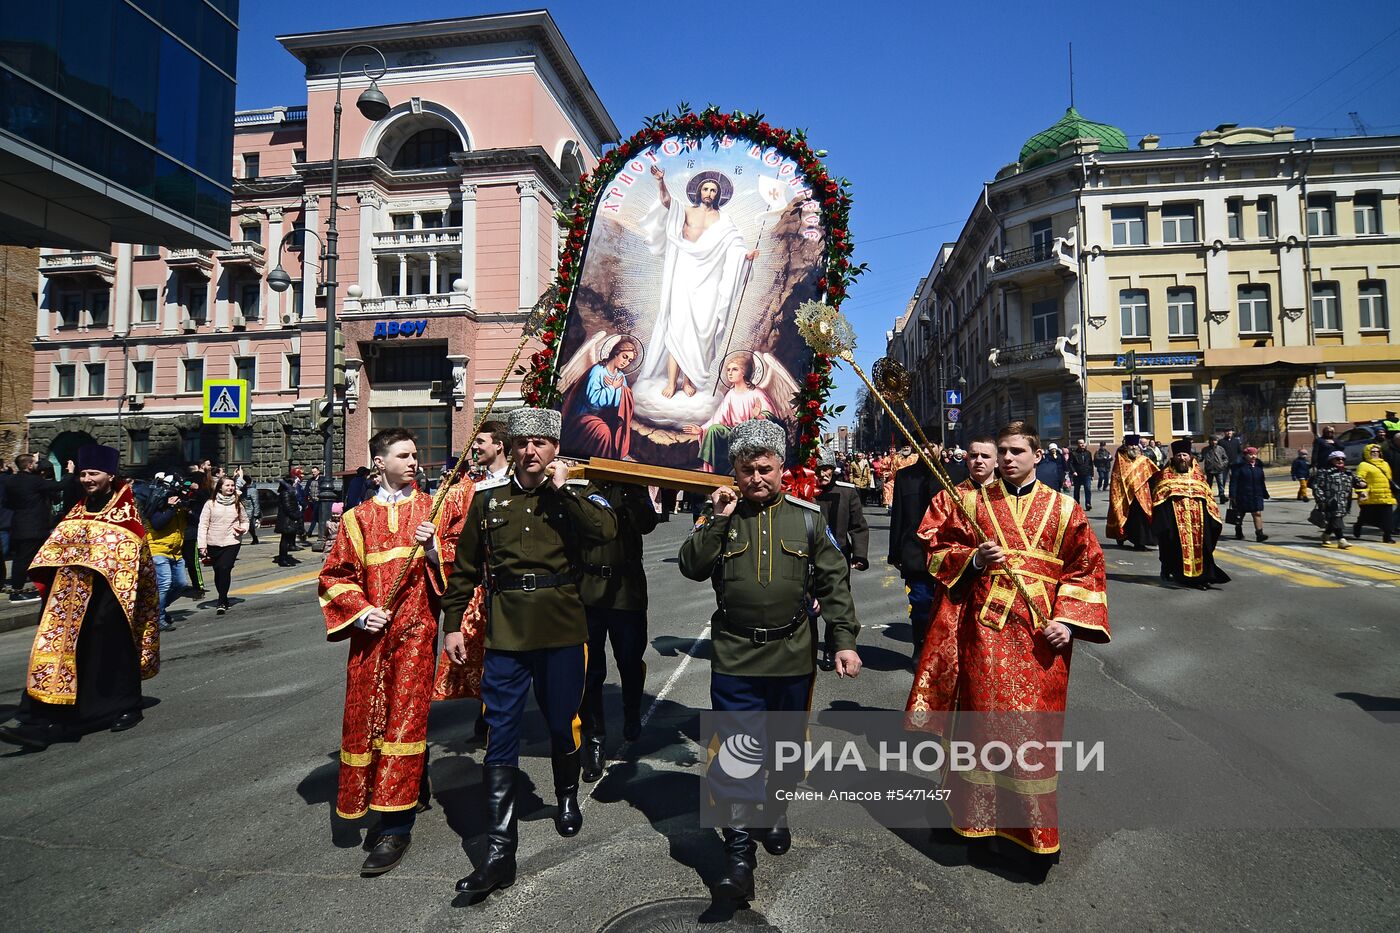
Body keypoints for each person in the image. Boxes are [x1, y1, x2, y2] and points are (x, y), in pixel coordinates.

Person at [905, 422, 1108, 880]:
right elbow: (933, 545)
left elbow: (1086, 570)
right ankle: (973, 825)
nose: (1009, 458)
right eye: (1004, 451)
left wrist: (1068, 622)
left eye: (1018, 451)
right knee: (978, 729)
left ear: (1037, 455)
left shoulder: (1065, 508)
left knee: (1030, 734)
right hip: (983, 635)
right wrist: (974, 559)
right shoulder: (969, 503)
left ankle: (1031, 836)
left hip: (1041, 639)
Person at [678, 418, 861, 903]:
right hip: (736, 654)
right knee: (736, 753)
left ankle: (774, 810)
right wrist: (716, 519)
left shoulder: (807, 518)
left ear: (782, 468)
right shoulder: (721, 515)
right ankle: (738, 855)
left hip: (792, 652)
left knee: (785, 748)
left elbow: (833, 585)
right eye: (745, 470)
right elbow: (691, 567)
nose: (756, 478)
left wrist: (843, 640)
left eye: (765, 469)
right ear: (733, 472)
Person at [440, 408, 617, 898]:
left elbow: (605, 533)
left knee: (563, 723)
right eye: (522, 443)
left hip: (561, 627)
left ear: (556, 448)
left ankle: (565, 796)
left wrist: (562, 490)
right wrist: (452, 624)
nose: (531, 451)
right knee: (501, 732)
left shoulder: (575, 496)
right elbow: (465, 569)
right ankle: (500, 853)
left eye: (541, 443)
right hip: (507, 632)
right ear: (511, 447)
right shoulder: (488, 500)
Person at [318, 427, 474, 877]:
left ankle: (394, 825)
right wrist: (362, 611)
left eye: (415, 456)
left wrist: (431, 550)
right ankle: (406, 786)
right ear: (379, 464)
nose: (413, 462)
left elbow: (461, 564)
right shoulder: (357, 519)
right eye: (403, 455)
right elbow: (334, 576)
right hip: (372, 638)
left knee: (404, 719)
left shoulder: (432, 507)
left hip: (416, 635)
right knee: (368, 719)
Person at [0, 445, 159, 750]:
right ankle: (43, 714)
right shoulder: (78, 508)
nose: (87, 479)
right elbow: (58, 543)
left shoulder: (127, 509)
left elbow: (131, 551)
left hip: (112, 596)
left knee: (111, 649)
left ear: (109, 476)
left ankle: (126, 706)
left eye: (93, 473)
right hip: (71, 594)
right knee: (62, 650)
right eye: (84, 473)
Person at [641, 166, 758, 398]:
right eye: (705, 188)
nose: (709, 193)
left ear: (719, 195)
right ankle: (672, 382)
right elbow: (665, 201)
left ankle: (688, 381)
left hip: (709, 279)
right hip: (684, 273)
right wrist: (661, 181)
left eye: (713, 190)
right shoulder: (685, 211)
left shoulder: (724, 220)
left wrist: (746, 257)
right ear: (698, 191)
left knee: (701, 331)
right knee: (678, 328)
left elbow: (735, 245)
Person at [577, 480, 658, 783]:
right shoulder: (582, 485)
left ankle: (631, 710)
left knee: (629, 660)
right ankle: (595, 740)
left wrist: (632, 491)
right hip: (588, 590)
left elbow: (647, 523)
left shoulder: (632, 483)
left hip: (626, 589)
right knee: (590, 670)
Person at [1152, 439, 1230, 588]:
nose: (1182, 458)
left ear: (1190, 457)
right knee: (1173, 548)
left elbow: (1208, 498)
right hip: (1175, 523)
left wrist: (1212, 519)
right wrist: (1164, 522)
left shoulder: (1198, 476)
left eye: (1185, 455)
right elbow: (1159, 499)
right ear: (1174, 457)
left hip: (1199, 523)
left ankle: (1202, 577)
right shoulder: (1165, 476)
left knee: (1203, 548)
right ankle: (1183, 576)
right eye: (1179, 455)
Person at [684, 352, 779, 474]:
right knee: (713, 430)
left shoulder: (756, 393)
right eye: (728, 369)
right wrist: (702, 429)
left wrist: (759, 415)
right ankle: (712, 471)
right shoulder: (731, 394)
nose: (729, 372)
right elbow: (718, 418)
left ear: (744, 372)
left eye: (734, 369)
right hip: (732, 432)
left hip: (749, 433)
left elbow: (771, 416)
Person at [888, 445, 938, 651]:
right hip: (915, 550)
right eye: (922, 447)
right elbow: (898, 514)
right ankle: (921, 645)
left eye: (931, 446)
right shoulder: (904, 476)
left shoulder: (955, 474)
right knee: (920, 602)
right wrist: (895, 552)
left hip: (948, 551)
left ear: (940, 447)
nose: (926, 451)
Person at [4, 454, 71, 601]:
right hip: (33, 526)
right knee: (25, 559)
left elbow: (8, 502)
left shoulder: (11, 481)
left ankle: (21, 588)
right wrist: (70, 473)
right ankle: (17, 592)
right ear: (29, 466)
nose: (37, 465)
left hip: (18, 524)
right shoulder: (34, 481)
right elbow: (60, 486)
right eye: (35, 463)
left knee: (21, 559)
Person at [562, 336, 639, 460]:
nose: (626, 362)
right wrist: (612, 388)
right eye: (625, 357)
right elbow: (592, 401)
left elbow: (619, 405)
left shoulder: (621, 377)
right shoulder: (598, 371)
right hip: (584, 418)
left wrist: (623, 393)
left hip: (606, 418)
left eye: (629, 360)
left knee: (612, 430)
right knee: (602, 432)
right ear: (616, 353)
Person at [145, 479, 193, 632]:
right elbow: (158, 524)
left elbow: (195, 520)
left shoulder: (181, 508)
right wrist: (171, 508)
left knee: (181, 584)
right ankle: (158, 619)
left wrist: (187, 509)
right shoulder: (157, 507)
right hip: (158, 550)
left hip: (176, 553)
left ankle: (158, 610)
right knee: (164, 584)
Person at [198, 474, 249, 615]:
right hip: (213, 541)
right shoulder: (210, 504)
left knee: (225, 567)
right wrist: (202, 545)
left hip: (232, 541)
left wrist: (243, 529)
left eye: (232, 485)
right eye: (227, 485)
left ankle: (221, 600)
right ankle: (224, 596)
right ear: (220, 488)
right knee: (218, 570)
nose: (231, 488)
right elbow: (203, 525)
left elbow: (244, 520)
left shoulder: (237, 503)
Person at [815, 451, 871, 572]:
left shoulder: (847, 493)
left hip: (839, 557)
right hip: (812, 558)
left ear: (833, 469)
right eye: (817, 470)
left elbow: (858, 526)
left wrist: (859, 555)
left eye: (825, 469)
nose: (822, 474)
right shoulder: (804, 493)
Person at [1106, 435, 1158, 549]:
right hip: (1124, 495)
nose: (1134, 447)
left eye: (1135, 445)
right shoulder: (1120, 461)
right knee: (1125, 516)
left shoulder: (1143, 460)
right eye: (1131, 445)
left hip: (1142, 495)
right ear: (1126, 446)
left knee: (1140, 518)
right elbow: (1116, 479)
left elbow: (1154, 475)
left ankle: (1140, 542)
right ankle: (1122, 537)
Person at [1313, 450, 1365, 548]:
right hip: (1330, 501)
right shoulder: (1324, 472)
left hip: (1344, 501)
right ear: (1331, 460)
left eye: (1342, 459)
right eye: (1337, 459)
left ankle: (1326, 535)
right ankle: (1341, 540)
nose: (1340, 461)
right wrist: (1321, 498)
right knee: (1336, 518)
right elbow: (1316, 486)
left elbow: (1357, 481)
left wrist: (1362, 483)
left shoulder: (1347, 472)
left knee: (1335, 520)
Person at [1353, 444, 1395, 543]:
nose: (1375, 453)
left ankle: (1387, 536)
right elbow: (1359, 480)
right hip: (1371, 496)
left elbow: (1389, 479)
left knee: (1388, 518)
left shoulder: (1385, 464)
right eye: (1373, 452)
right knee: (1365, 516)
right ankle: (1358, 526)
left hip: (1385, 495)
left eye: (1377, 451)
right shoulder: (1363, 465)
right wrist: (1361, 492)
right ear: (1368, 453)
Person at [1228, 446, 1270, 542]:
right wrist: (1232, 495)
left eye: (1255, 454)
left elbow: (1261, 481)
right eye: (1250, 454)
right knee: (1240, 514)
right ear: (1245, 455)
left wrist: (1265, 492)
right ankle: (1238, 530)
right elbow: (1234, 482)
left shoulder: (1259, 466)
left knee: (1257, 513)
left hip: (1256, 494)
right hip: (1243, 495)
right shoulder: (1239, 467)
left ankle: (1259, 534)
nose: (1253, 456)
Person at [275, 468, 303, 567]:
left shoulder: (287, 492)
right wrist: (296, 515)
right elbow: (288, 507)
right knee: (285, 539)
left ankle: (284, 557)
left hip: (288, 519)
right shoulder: (286, 492)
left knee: (286, 539)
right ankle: (282, 559)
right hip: (286, 520)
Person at [1201, 435, 1230, 502]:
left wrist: (1222, 465)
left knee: (1221, 484)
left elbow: (1225, 458)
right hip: (1209, 469)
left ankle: (1222, 496)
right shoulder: (1205, 449)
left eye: (1215, 440)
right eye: (1213, 440)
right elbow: (1201, 458)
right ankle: (1208, 498)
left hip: (1219, 469)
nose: (1214, 442)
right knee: (1209, 484)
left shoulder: (1220, 449)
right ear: (1209, 441)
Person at [1068, 438, 1094, 510]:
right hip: (1077, 474)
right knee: (1077, 490)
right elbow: (1070, 463)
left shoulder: (1088, 453)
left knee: (1088, 489)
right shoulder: (1074, 453)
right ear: (1078, 445)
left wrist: (1092, 474)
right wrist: (1073, 471)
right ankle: (1077, 504)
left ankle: (1088, 503)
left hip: (1087, 474)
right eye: (1080, 443)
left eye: (1083, 443)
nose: (1082, 445)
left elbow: (1090, 464)